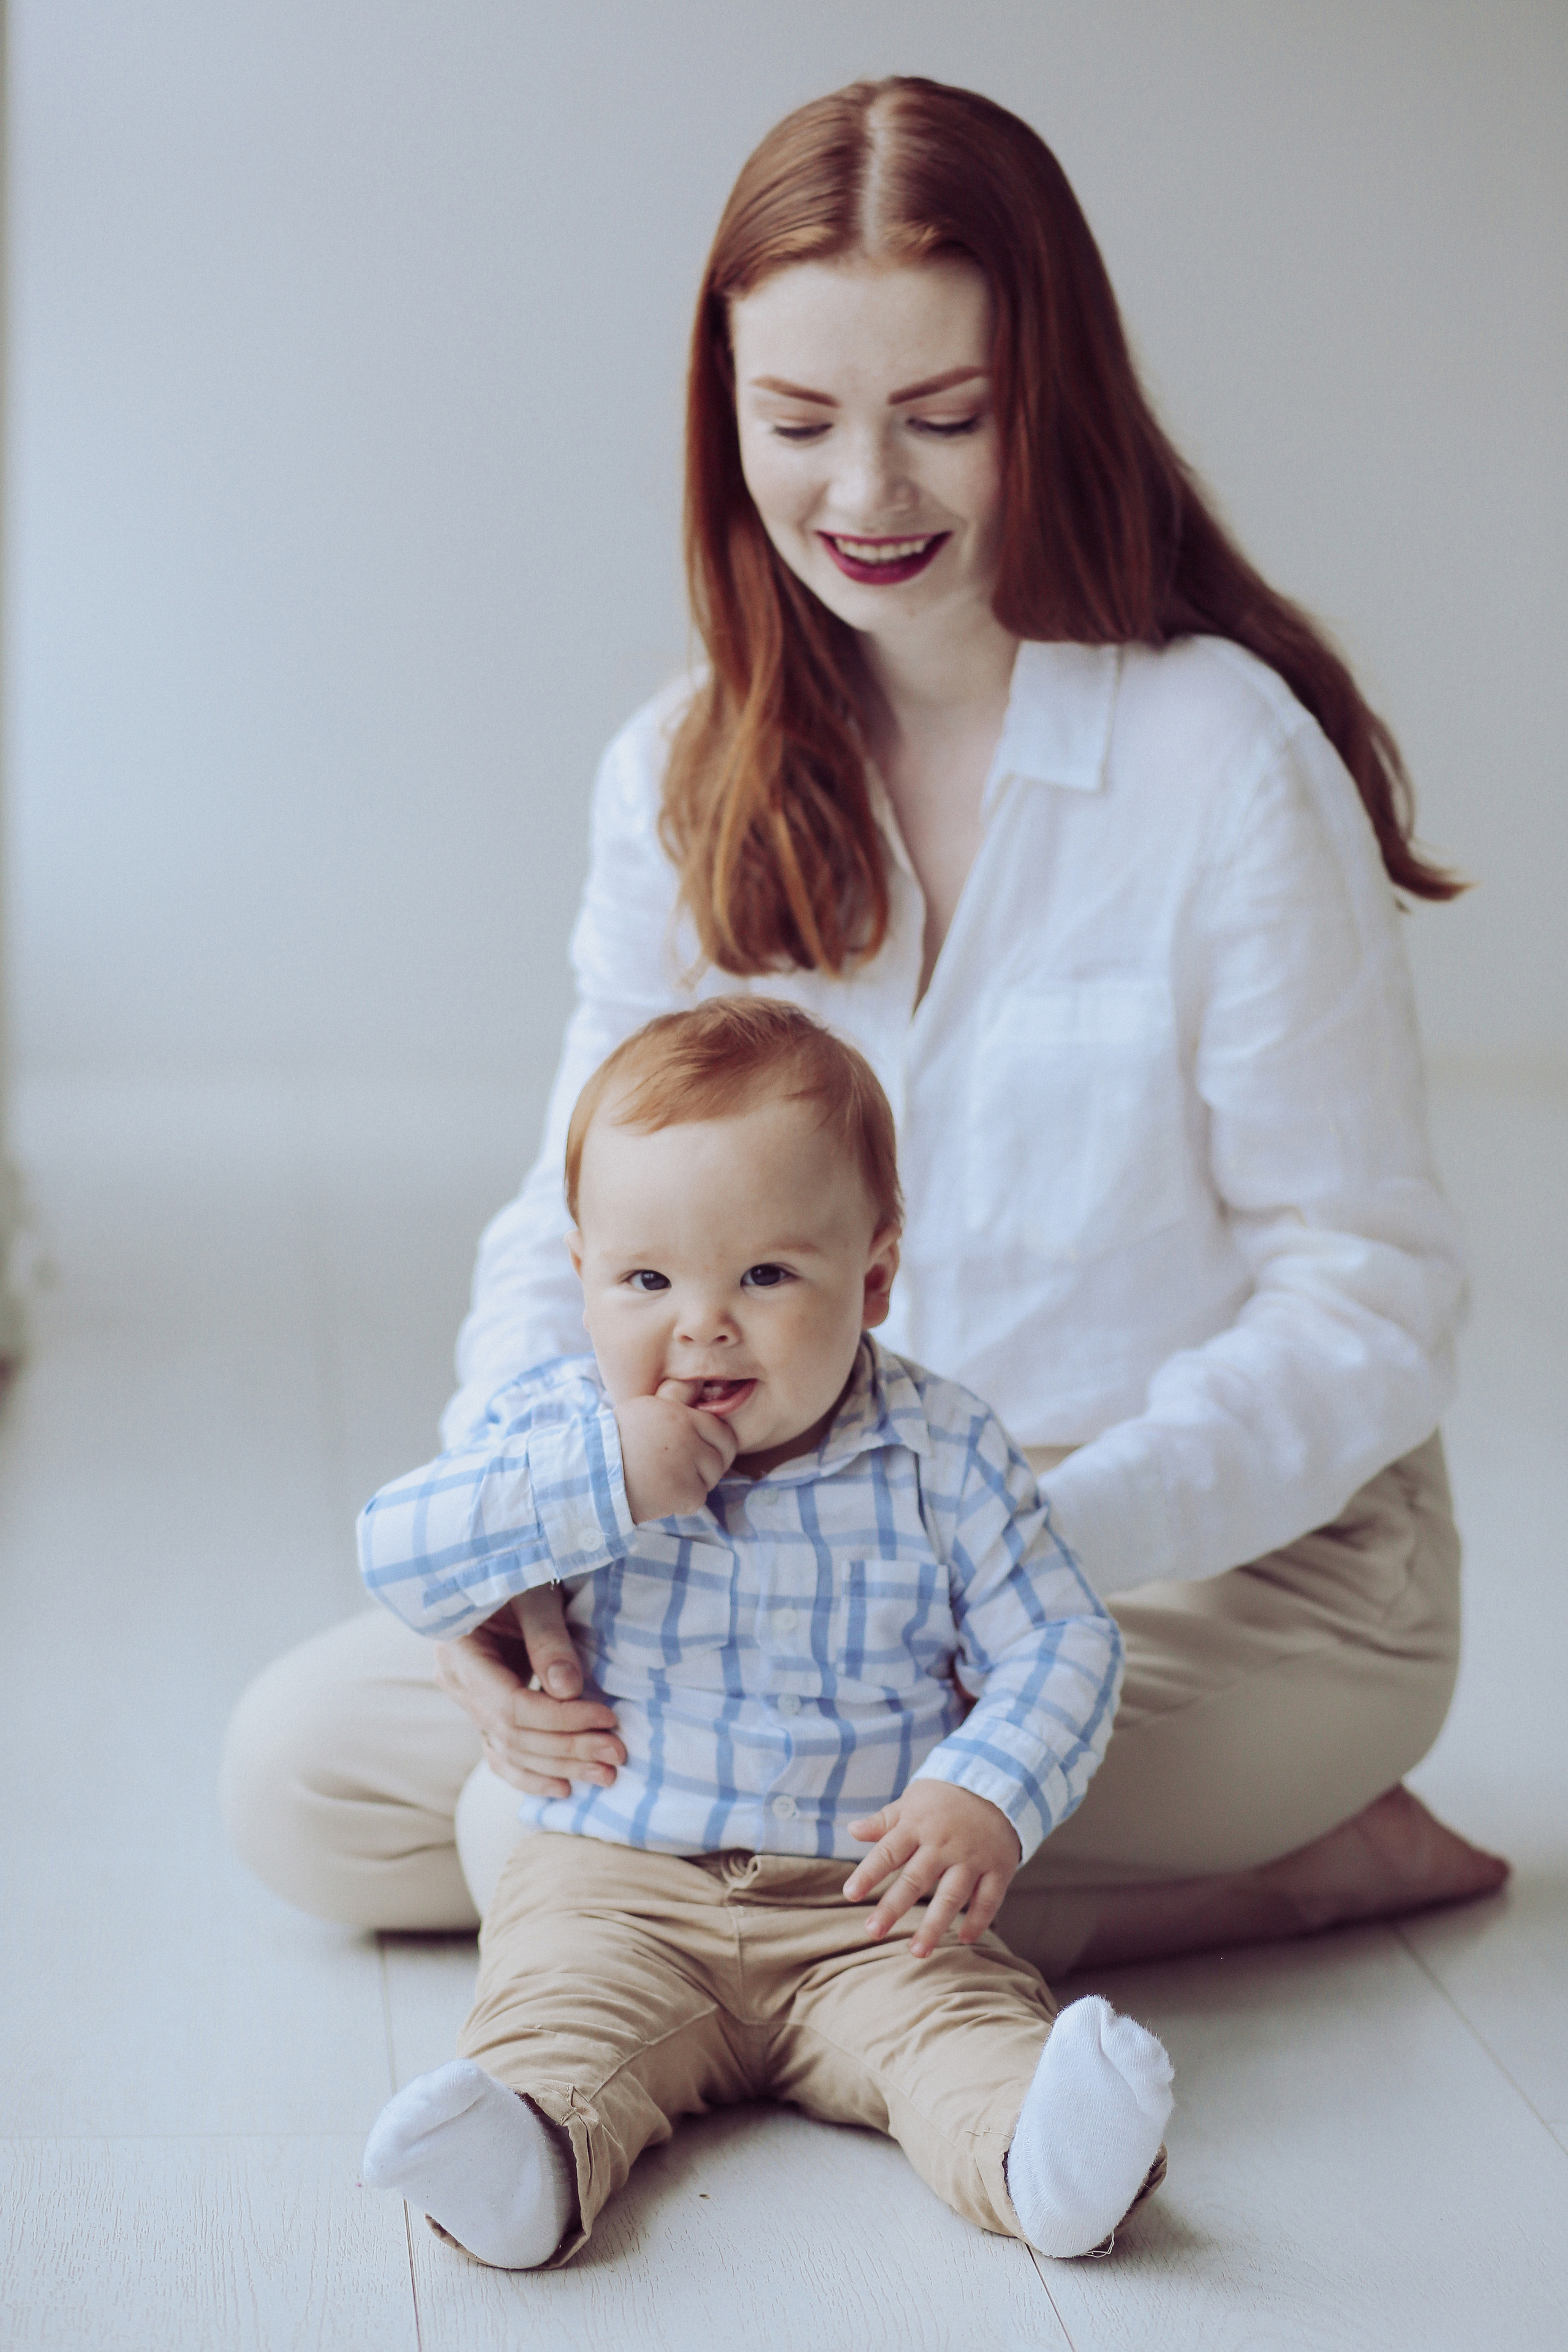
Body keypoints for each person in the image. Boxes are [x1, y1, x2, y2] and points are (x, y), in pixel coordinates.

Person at [221, 75, 1507, 1976]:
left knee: (543, 1823)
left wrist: (1011, 1553)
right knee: (302, 1777)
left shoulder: (1220, 755)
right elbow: (569, 1219)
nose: (866, 495)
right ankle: (1181, 1896)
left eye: (945, 419)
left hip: (1228, 1573)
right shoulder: (683, 767)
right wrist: (523, 1540)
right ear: (722, 412)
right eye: (799, 421)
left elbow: (1368, 1295)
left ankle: (1128, 1865)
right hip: (796, 1552)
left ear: (1047, 399)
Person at [356, 999, 1173, 2269]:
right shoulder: (558, 1431)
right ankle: (520, 2164)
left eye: (765, 1275)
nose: (701, 1322)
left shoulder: (940, 1450)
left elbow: (1060, 1644)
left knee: (955, 2031)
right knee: (555, 2020)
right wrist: (596, 1481)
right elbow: (394, 1557)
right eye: (645, 1279)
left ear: (875, 1276)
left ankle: (1041, 2159)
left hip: (864, 1902)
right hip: (616, 1885)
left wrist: (984, 1791)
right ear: (579, 1274)